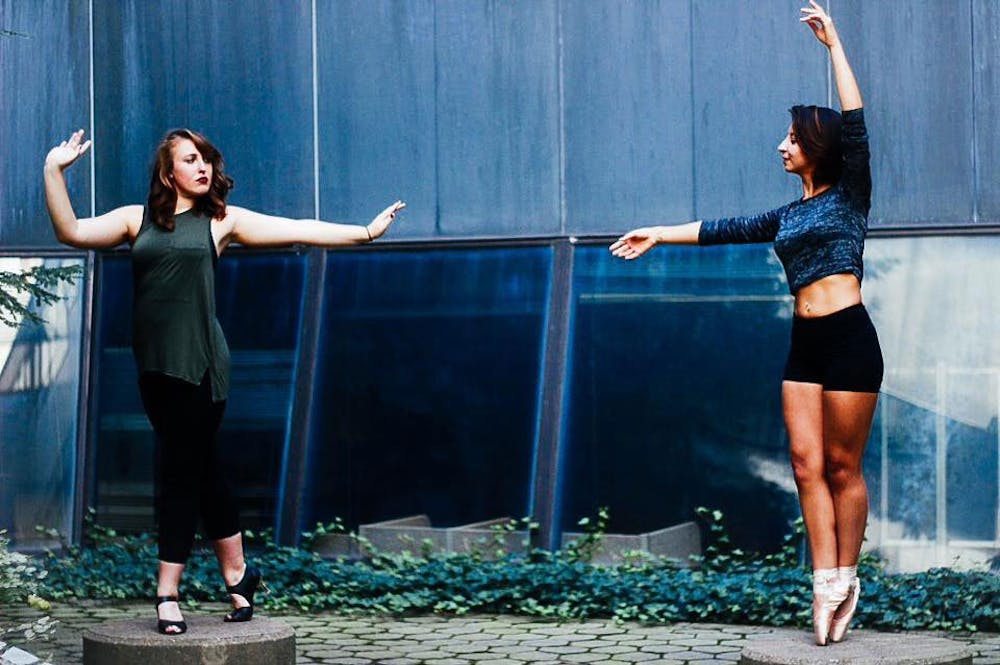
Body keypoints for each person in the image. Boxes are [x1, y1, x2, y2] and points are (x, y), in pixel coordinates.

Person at [44, 127, 405, 635]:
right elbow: (71, 232)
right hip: (154, 369)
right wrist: (53, 170)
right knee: (201, 469)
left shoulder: (221, 221)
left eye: (206, 159)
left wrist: (364, 233)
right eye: (190, 160)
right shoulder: (135, 219)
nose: (202, 167)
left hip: (201, 365)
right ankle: (238, 573)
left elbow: (297, 227)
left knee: (179, 472)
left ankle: (167, 592)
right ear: (169, 173)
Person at [610, 1, 879, 646]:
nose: (780, 146)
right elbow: (720, 229)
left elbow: (858, 121)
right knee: (803, 463)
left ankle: (847, 574)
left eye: (790, 138)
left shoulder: (852, 194)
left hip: (849, 339)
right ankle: (822, 582)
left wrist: (833, 45)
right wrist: (658, 233)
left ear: (815, 145)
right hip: (804, 344)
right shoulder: (785, 216)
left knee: (842, 466)